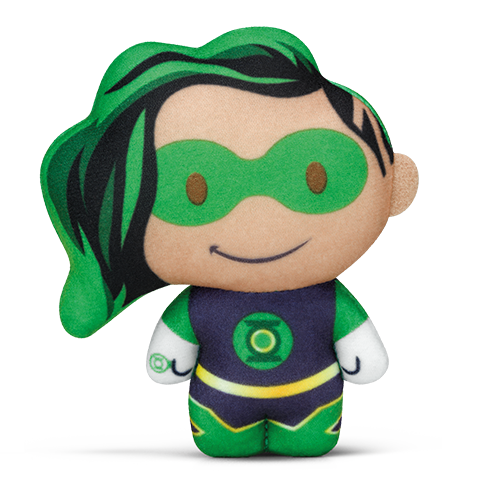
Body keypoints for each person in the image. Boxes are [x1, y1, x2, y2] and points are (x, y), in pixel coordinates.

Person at [41, 27, 418, 457]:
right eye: (195, 189)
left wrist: (168, 362)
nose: (259, 210)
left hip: (309, 400)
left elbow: (168, 360)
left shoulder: (323, 301)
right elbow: (367, 360)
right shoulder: (209, 304)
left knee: (308, 437)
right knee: (225, 439)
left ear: (397, 186)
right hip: (221, 404)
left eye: (315, 177)